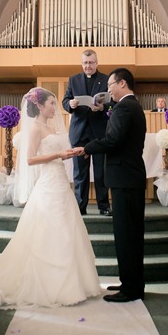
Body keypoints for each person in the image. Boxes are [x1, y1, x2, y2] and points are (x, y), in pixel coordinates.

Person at [0, 87, 101, 309]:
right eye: (51, 104)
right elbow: (30, 160)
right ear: (39, 105)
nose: (55, 108)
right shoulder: (35, 128)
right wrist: (58, 154)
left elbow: (58, 153)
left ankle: (72, 283)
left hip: (61, 183)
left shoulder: (50, 127)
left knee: (67, 229)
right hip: (48, 183)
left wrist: (73, 152)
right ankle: (51, 284)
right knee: (52, 229)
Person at [77, 68, 147, 303]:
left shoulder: (124, 108)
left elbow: (113, 140)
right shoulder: (131, 106)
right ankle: (132, 281)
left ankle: (131, 288)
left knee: (126, 235)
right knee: (131, 234)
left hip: (124, 178)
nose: (108, 90)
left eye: (110, 85)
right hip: (129, 177)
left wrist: (88, 148)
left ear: (122, 83)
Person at [62, 49, 112, 216]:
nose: (88, 66)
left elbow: (112, 103)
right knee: (80, 173)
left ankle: (104, 206)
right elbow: (65, 100)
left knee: (100, 172)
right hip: (80, 132)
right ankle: (80, 207)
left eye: (91, 62)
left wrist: (102, 107)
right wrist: (70, 104)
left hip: (99, 133)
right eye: (85, 63)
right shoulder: (73, 79)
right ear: (81, 63)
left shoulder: (106, 79)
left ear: (97, 63)